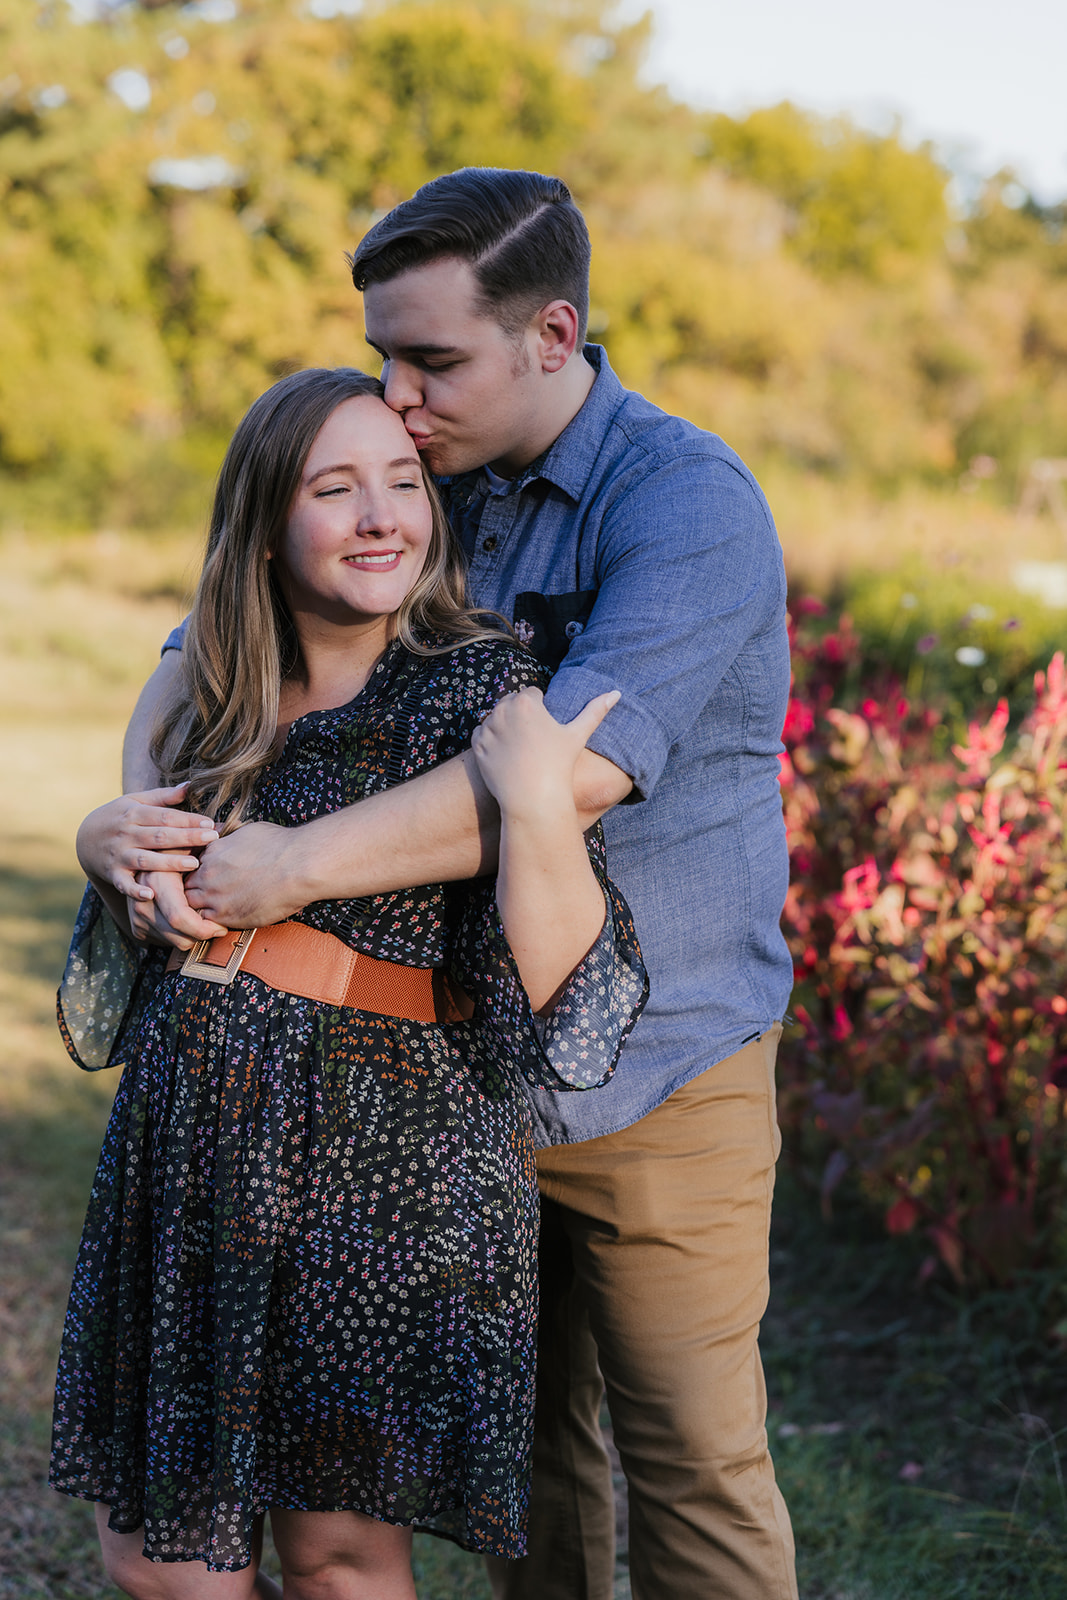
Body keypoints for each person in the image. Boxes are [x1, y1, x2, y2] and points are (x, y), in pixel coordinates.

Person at [79, 168, 798, 1600]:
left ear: (552, 335)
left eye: (431, 361)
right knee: (512, 1476)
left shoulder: (685, 503)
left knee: (692, 1468)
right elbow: (218, 621)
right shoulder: (421, 476)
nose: (397, 399)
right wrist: (136, 808)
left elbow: (563, 780)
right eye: (382, 359)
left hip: (655, 1064)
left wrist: (277, 869)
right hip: (436, 1082)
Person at [51, 366, 647, 1600]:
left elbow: (564, 990)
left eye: (402, 482)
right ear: (266, 522)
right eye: (335, 488)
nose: (383, 515)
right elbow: (141, 949)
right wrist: (102, 848)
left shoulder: (473, 690)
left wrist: (535, 802)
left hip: (377, 1169)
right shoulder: (211, 691)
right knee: (158, 1558)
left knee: (334, 1557)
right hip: (193, 1151)